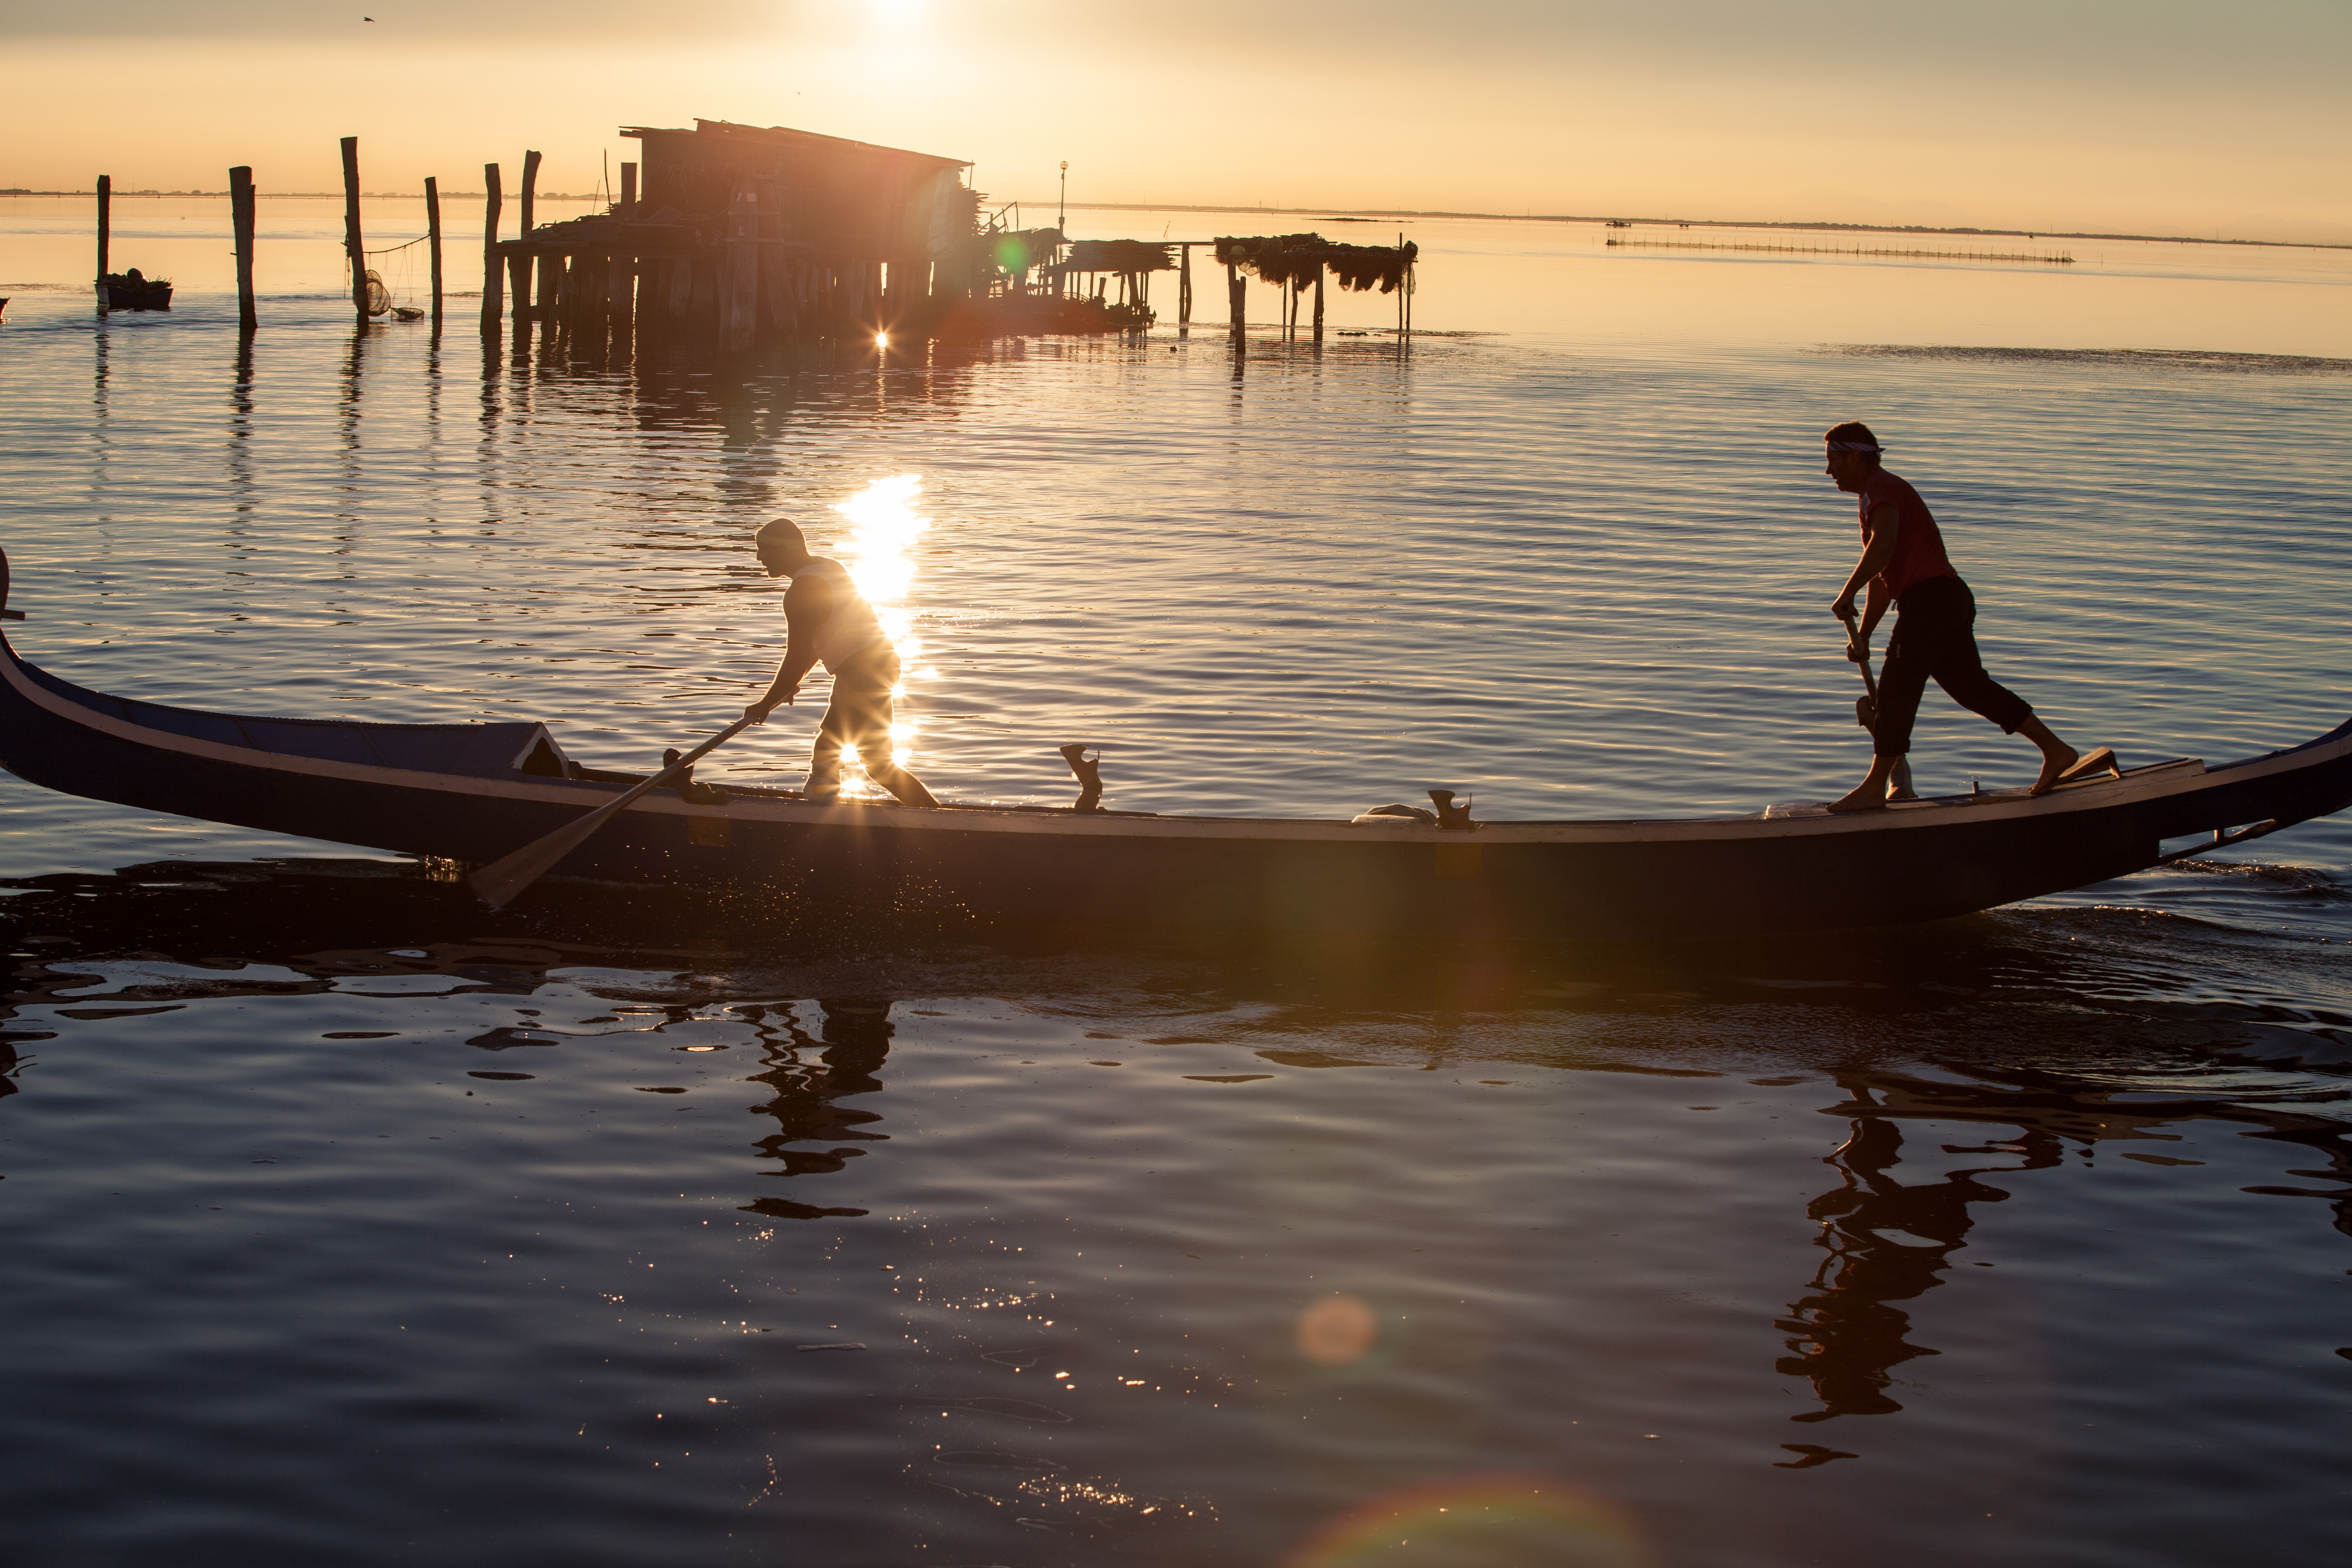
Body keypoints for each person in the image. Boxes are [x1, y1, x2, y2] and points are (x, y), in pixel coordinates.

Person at [1821, 422, 2109, 812]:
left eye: (1833, 460)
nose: (1828, 471)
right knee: (1971, 687)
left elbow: (1883, 545)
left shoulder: (1880, 488)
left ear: (1856, 457)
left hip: (1932, 602)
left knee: (1897, 690)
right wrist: (1865, 635)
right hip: (1947, 599)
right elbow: (1884, 577)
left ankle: (1875, 787)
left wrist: (1847, 591)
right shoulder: (1880, 492)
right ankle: (2056, 750)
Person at [742, 518, 939, 807]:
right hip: (883, 663)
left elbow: (796, 658)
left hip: (861, 671)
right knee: (878, 763)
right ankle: (934, 816)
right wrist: (788, 686)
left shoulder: (801, 592)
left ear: (782, 551)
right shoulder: (829, 566)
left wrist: (764, 704)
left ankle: (817, 817)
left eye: (763, 550)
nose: (759, 558)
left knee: (828, 749)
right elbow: (814, 649)